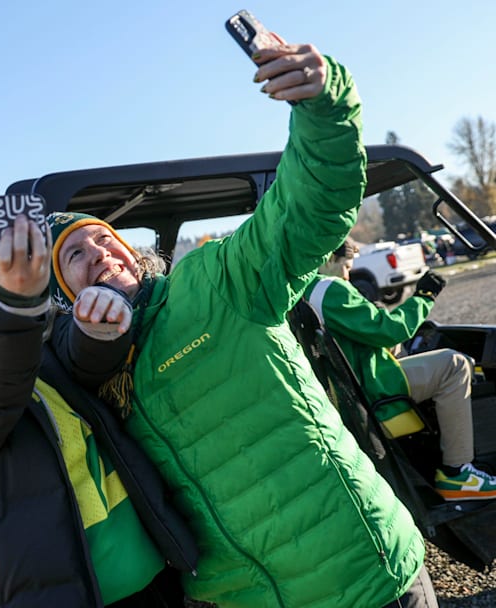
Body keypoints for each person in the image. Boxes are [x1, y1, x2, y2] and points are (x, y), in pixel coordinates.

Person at [48, 40, 437, 607]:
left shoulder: (213, 283)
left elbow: (307, 209)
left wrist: (324, 104)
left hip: (363, 576)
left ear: (131, 253)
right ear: (67, 298)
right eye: (75, 256)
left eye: (105, 238)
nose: (99, 252)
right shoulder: (89, 378)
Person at [0, 228, 198, 607]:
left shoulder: (37, 343)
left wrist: (98, 318)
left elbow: (80, 354)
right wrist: (11, 304)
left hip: (153, 579)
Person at [305, 238, 496, 500]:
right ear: (328, 259)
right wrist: (423, 297)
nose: (348, 275)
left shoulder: (303, 293)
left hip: (354, 389)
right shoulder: (329, 289)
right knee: (454, 365)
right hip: (375, 385)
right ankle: (458, 474)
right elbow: (390, 329)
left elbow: (367, 334)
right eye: (346, 266)